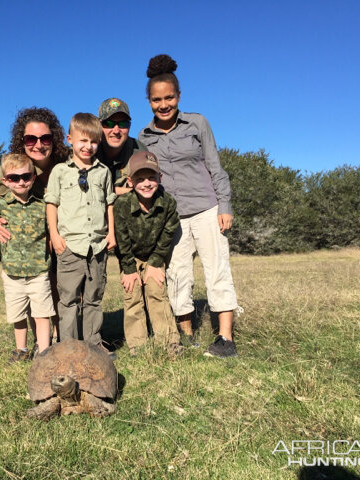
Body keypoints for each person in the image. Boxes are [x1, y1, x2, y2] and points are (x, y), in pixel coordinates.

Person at [138, 54, 239, 358]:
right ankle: (187, 335)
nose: (164, 104)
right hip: (172, 217)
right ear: (149, 101)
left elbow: (215, 166)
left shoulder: (197, 123)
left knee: (217, 269)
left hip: (208, 209)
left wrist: (225, 206)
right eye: (157, 100)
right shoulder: (144, 136)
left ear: (179, 96)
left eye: (169, 97)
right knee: (178, 275)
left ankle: (225, 339)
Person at [0, 107, 68, 345]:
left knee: (61, 287)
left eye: (45, 138)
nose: (38, 144)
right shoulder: (14, 167)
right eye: (31, 139)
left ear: (54, 139)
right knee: (40, 286)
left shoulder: (66, 162)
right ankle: (42, 341)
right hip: (33, 241)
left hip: (64, 231)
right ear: (21, 141)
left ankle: (62, 334)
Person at [44, 113, 117, 355]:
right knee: (68, 301)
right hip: (70, 246)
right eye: (83, 141)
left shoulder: (103, 172)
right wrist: (54, 235)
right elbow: (51, 204)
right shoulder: (60, 172)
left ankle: (94, 344)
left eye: (94, 141)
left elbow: (109, 204)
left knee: (94, 299)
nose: (88, 147)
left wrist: (111, 234)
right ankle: (68, 346)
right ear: (70, 140)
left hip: (96, 246)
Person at [0, 153, 55, 362]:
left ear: (33, 177)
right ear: (5, 181)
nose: (21, 182)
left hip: (39, 272)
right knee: (18, 315)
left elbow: (50, 234)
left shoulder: (42, 205)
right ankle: (21, 349)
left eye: (26, 176)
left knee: (41, 314)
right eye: (14, 178)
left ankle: (44, 351)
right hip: (12, 274)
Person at [113, 151, 183, 357]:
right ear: (130, 181)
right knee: (132, 293)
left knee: (157, 291)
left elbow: (168, 233)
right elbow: (121, 240)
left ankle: (170, 341)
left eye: (152, 178)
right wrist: (128, 269)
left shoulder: (168, 203)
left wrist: (154, 263)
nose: (146, 183)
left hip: (154, 255)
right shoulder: (123, 204)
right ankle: (138, 345)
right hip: (130, 257)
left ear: (160, 178)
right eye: (140, 179)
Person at [95, 97, 148, 195]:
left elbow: (147, 190)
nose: (116, 131)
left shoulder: (139, 152)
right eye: (109, 123)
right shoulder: (88, 149)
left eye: (123, 124)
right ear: (99, 125)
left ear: (130, 126)